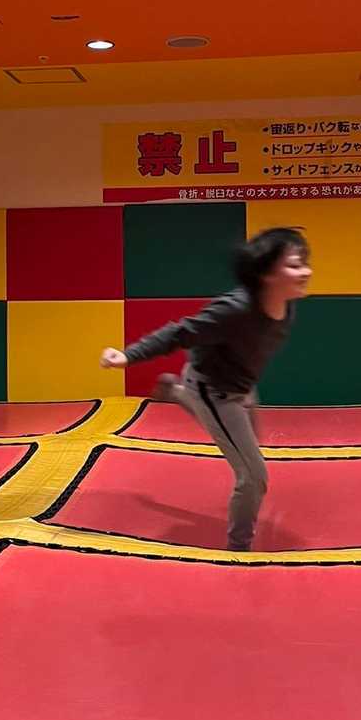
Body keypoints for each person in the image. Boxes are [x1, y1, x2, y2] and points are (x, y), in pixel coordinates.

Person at [100, 228, 312, 551]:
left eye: (305, 263)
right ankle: (238, 549)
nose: (306, 271)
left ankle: (175, 392)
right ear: (266, 273)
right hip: (212, 390)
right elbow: (180, 333)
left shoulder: (287, 306)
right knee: (253, 476)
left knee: (249, 450)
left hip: (241, 386)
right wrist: (129, 355)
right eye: (295, 265)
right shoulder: (234, 309)